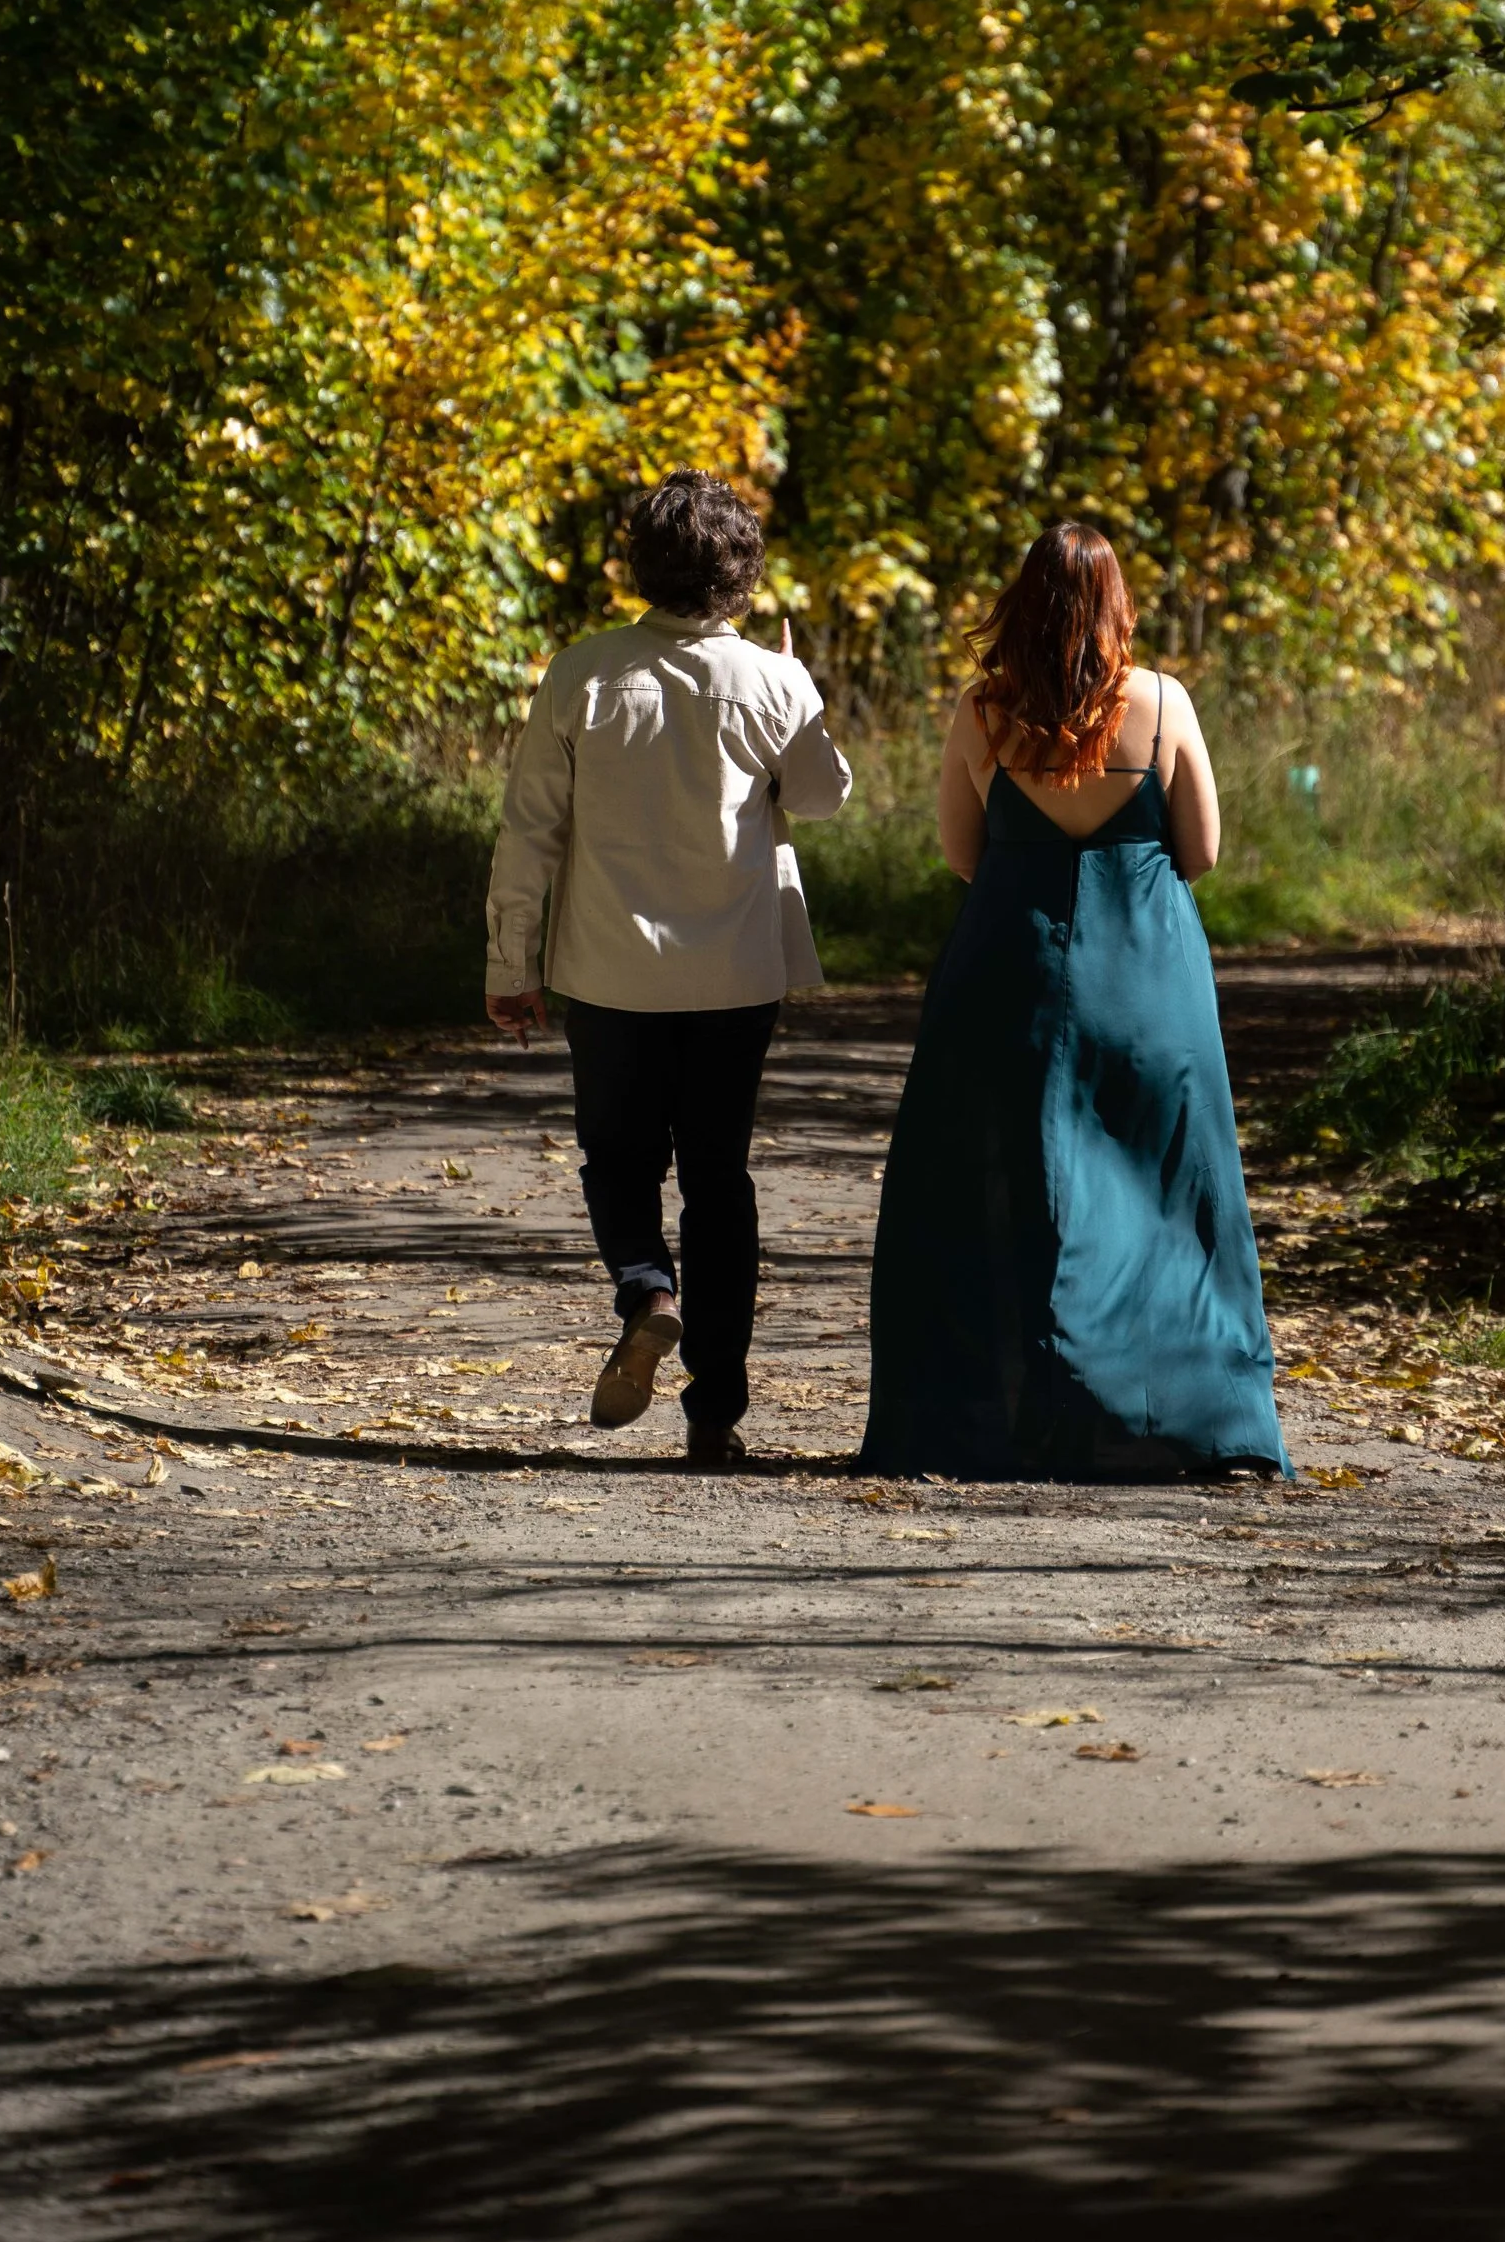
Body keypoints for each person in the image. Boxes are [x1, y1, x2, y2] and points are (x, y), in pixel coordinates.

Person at [861, 520, 1288, 1483]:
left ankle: (995, 1420)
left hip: (1010, 963)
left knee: (1000, 1188)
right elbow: (1205, 850)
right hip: (1146, 969)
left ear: (1025, 605)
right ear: (1115, 606)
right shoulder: (1164, 702)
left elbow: (961, 856)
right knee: (1169, 1190)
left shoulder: (982, 714)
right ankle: (1189, 1418)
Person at [485, 469, 852, 1467]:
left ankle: (648, 1291)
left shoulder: (582, 673)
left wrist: (511, 961)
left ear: (640, 567)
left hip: (609, 970)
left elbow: (530, 832)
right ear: (740, 574)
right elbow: (818, 799)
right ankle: (713, 1413)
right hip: (737, 971)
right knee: (719, 1178)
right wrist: (794, 686)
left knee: (616, 1156)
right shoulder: (774, 682)